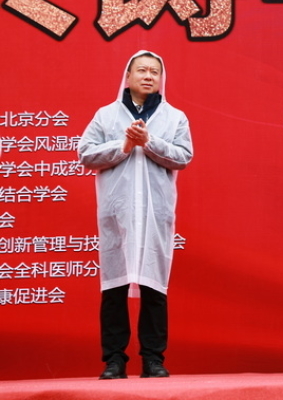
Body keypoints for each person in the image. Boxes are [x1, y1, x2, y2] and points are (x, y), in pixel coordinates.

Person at [78, 51, 193, 379]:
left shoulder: (175, 117)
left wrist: (149, 141)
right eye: (141, 70)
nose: (148, 76)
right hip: (117, 212)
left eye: (155, 72)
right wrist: (125, 145)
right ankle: (114, 360)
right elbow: (86, 154)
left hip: (155, 212)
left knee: (154, 286)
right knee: (114, 286)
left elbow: (184, 156)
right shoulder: (106, 115)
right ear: (127, 77)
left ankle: (153, 359)